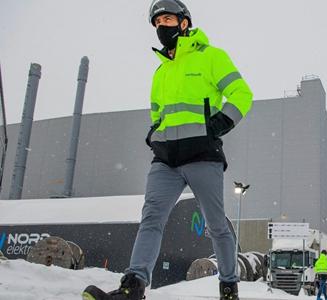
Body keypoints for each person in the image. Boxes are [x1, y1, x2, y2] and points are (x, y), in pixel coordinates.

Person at [82, 0, 252, 299]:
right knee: (151, 219)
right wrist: (154, 132)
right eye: (158, 22)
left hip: (203, 156)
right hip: (165, 161)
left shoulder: (211, 57)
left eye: (168, 19)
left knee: (216, 226)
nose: (162, 26)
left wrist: (222, 122)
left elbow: (242, 92)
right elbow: (158, 112)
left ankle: (228, 286)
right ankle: (133, 286)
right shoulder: (161, 72)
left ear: (184, 23)